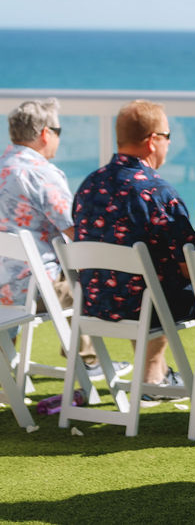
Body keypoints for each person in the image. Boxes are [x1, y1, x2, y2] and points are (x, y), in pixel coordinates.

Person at [73, 99, 195, 403]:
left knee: (142, 277)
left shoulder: (89, 184)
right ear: (153, 141)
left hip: (94, 301)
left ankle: (156, 373)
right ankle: (154, 376)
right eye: (168, 137)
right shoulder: (156, 191)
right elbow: (190, 263)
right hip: (143, 307)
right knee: (181, 282)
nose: (169, 144)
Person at [0, 99, 123, 377]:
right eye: (58, 131)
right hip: (34, 289)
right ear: (46, 133)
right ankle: (85, 362)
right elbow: (75, 230)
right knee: (83, 284)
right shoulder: (41, 173)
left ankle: (5, 367)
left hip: (3, 286)